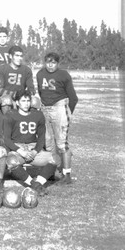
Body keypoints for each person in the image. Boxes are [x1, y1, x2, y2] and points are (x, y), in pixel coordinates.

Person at [4, 90, 60, 196]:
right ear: (17, 103)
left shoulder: (38, 115)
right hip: (18, 148)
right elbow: (7, 139)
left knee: (55, 158)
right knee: (11, 160)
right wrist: (21, 151)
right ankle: (33, 184)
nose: (26, 103)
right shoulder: (10, 115)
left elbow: (41, 138)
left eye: (28, 100)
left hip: (33, 147)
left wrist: (35, 151)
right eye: (23, 101)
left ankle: (38, 183)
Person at [36, 52, 78, 185]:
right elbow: (41, 93)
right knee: (47, 143)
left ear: (58, 63)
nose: (50, 65)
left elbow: (73, 98)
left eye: (53, 62)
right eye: (48, 62)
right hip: (44, 108)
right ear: (44, 62)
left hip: (59, 107)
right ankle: (51, 171)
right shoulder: (40, 74)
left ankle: (67, 174)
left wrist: (68, 113)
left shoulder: (64, 75)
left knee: (61, 143)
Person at [0, 45, 35, 112]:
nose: (19, 58)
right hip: (6, 98)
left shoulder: (27, 70)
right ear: (10, 56)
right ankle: (7, 120)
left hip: (21, 98)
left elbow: (31, 89)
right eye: (17, 56)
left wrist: (25, 96)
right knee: (7, 100)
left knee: (34, 101)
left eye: (21, 56)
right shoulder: (1, 69)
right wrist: (15, 95)